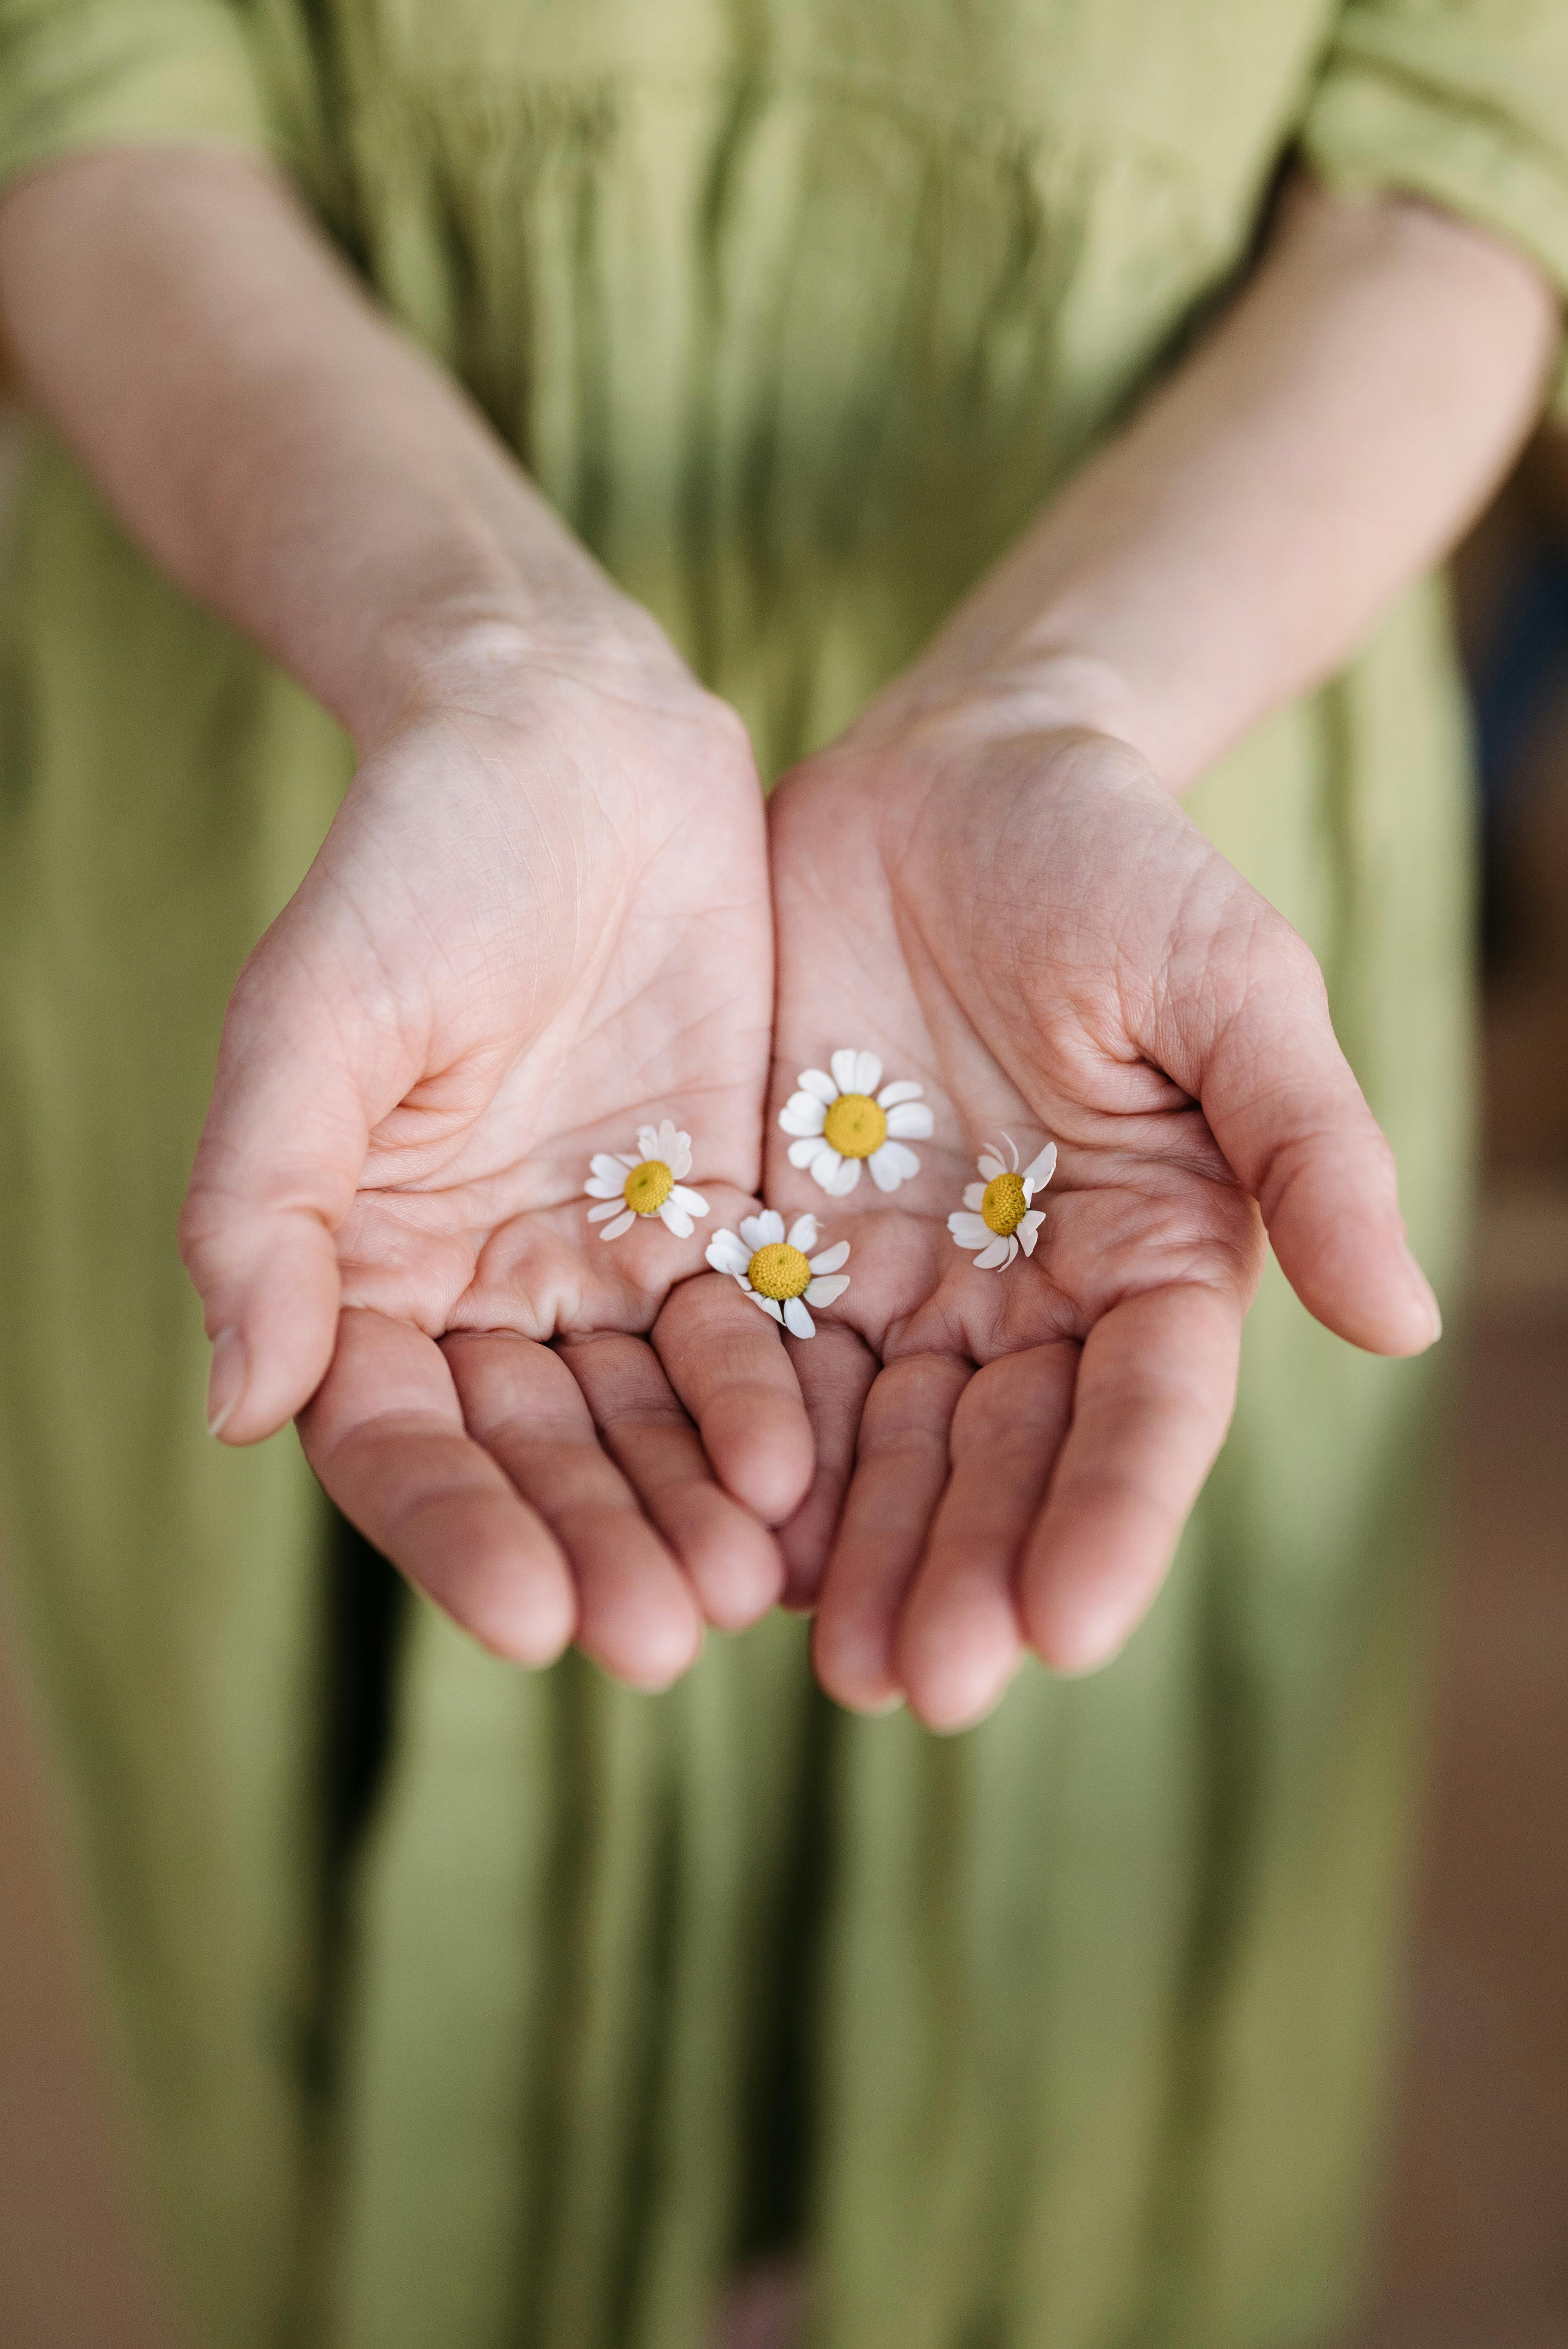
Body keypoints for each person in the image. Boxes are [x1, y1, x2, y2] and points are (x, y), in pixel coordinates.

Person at [0, 5, 1564, 2345]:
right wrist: (481, 659)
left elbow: (1477, 166)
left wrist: (1065, 708)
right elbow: (86, 94)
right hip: (350, 845)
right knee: (358, 1939)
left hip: (1132, 881)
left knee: (1084, 1970)